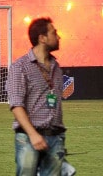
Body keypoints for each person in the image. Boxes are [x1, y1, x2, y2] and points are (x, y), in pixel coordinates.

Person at [6, 17, 69, 176]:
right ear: (42, 38)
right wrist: (33, 135)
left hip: (55, 137)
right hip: (29, 138)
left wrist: (58, 138)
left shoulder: (56, 66)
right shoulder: (20, 67)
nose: (58, 36)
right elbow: (16, 105)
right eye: (54, 33)